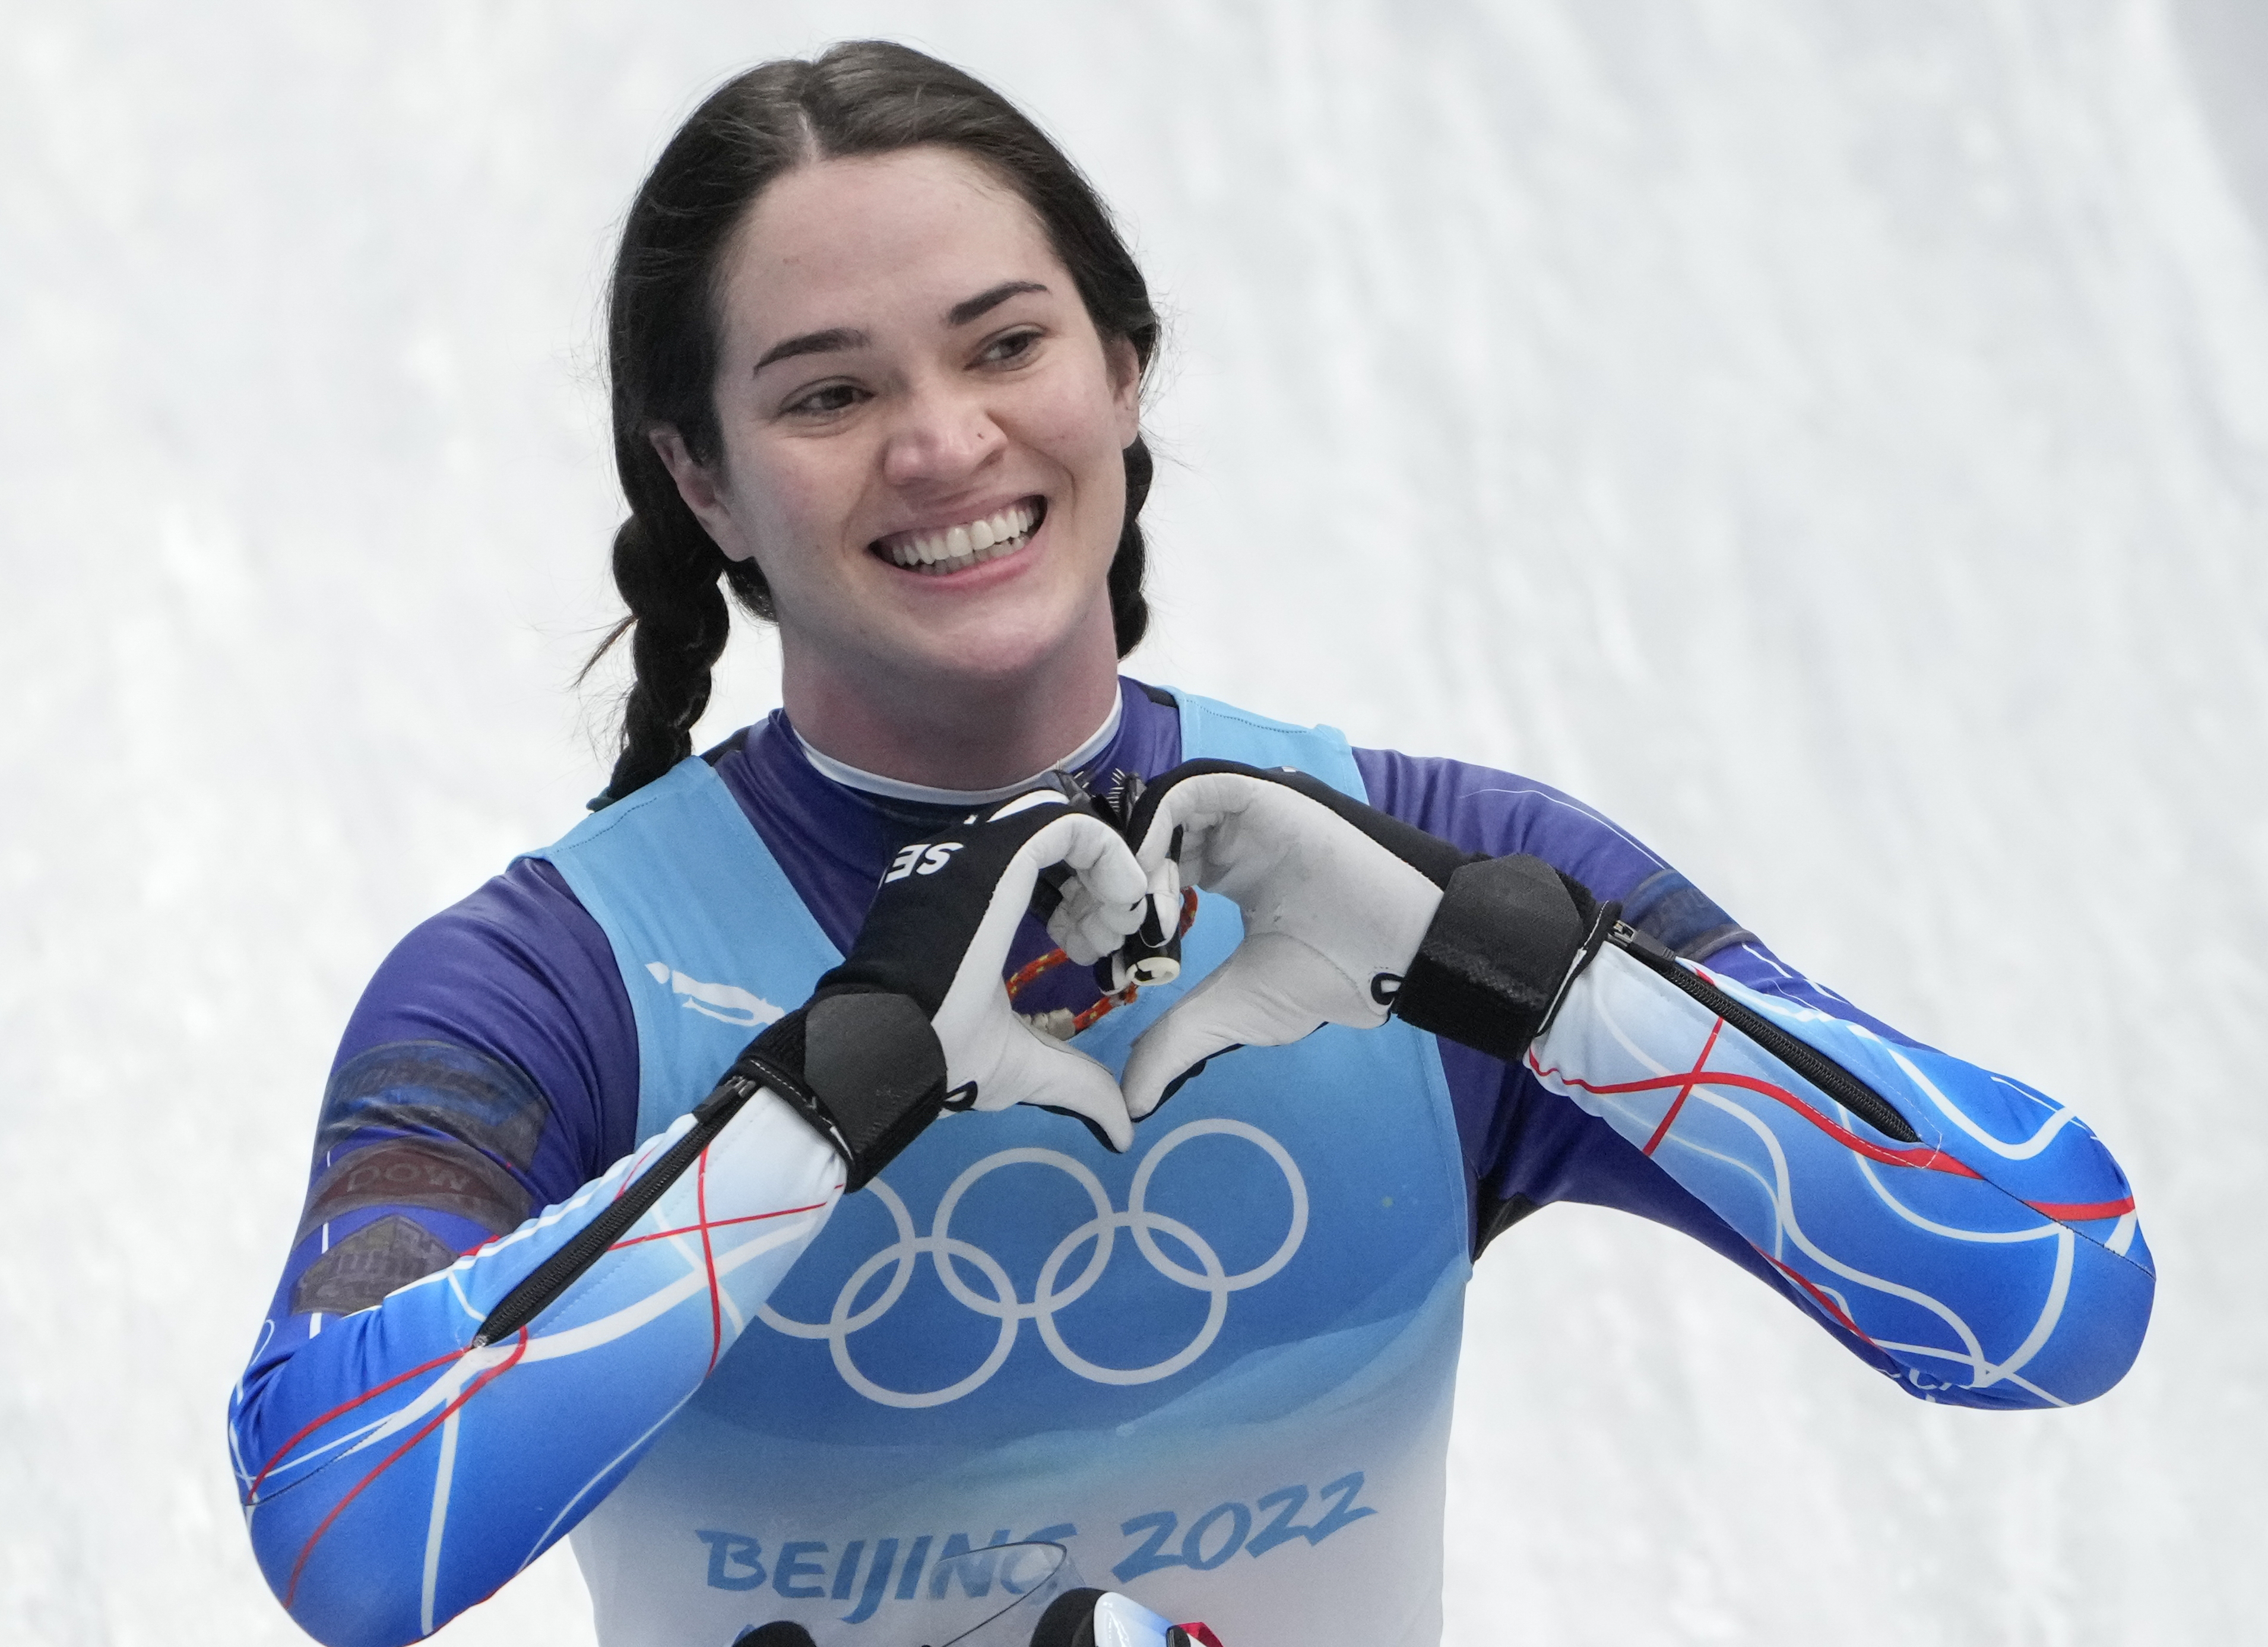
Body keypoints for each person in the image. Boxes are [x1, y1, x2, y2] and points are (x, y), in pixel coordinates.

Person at [225, 41, 2153, 1647]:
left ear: (1122, 373)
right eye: (828, 393)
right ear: (701, 479)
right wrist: (823, 1102)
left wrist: (1533, 987)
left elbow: (2049, 1299)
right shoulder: (550, 985)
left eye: (1002, 346)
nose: (939, 443)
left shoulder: (1436, 863)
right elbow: (345, 1532)